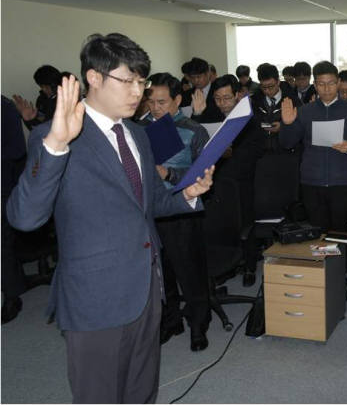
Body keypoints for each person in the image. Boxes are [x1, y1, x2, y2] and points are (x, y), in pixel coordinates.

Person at [6, 33, 214, 403]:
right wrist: (57, 144)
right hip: (95, 298)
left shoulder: (138, 134)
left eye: (142, 82)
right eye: (128, 81)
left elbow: (147, 204)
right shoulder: (53, 135)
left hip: (147, 287)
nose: (139, 92)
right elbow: (24, 217)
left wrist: (185, 194)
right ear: (94, 78)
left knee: (141, 390)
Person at [143, 72, 211, 351]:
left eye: (161, 102)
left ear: (177, 100)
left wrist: (168, 172)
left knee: (189, 270)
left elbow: (203, 174)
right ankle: (171, 320)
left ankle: (199, 324)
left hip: (182, 210)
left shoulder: (194, 130)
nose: (155, 108)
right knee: (161, 272)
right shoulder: (138, 129)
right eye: (151, 102)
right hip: (150, 209)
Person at [279, 61, 347, 233]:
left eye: (331, 83)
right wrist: (288, 124)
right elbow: (287, 143)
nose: (326, 89)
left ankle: (342, 260)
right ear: (315, 85)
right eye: (321, 84)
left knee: (340, 233)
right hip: (312, 181)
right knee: (317, 234)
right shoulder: (305, 111)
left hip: (342, 181)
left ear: (338, 83)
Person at [208, 75, 265, 286]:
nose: (222, 103)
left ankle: (249, 265)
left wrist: (230, 154)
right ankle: (228, 264)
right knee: (219, 224)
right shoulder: (211, 118)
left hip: (241, 181)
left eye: (227, 98)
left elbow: (256, 150)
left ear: (238, 96)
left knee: (245, 224)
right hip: (215, 182)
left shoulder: (250, 119)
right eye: (217, 98)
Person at [1, 96, 28, 324]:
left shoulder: (5, 108)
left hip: (3, 185)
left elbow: (17, 149)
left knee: (2, 246)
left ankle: (12, 297)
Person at [251, 63, 302, 153]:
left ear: (278, 82)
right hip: (261, 152)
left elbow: (301, 125)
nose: (267, 91)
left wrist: (283, 127)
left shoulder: (292, 100)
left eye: (271, 86)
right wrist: (266, 125)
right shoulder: (255, 101)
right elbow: (253, 124)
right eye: (264, 87)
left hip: (286, 153)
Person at [13, 64, 63, 129]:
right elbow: (36, 130)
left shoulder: (66, 100)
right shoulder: (41, 100)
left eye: (47, 86)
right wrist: (28, 119)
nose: (44, 90)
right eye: (42, 86)